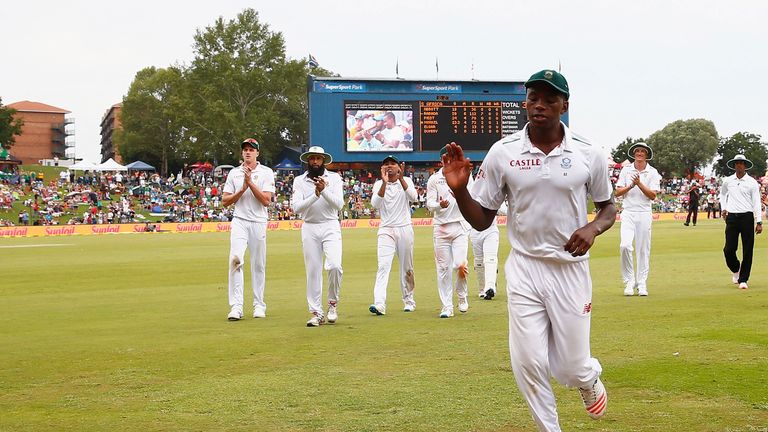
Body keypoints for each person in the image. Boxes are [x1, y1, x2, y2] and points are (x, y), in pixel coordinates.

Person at [441, 69, 616, 431]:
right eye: (533, 98)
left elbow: (608, 207)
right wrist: (460, 191)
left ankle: (587, 377)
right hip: (524, 267)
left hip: (570, 268)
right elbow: (482, 221)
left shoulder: (590, 152)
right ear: (525, 103)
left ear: (564, 105)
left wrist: (592, 227)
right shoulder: (503, 152)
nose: (540, 106)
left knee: (569, 367)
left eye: (550, 99)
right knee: (528, 362)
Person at [290, 146, 344, 327]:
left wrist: (324, 190)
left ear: (323, 161)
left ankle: (332, 304)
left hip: (330, 225)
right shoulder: (299, 181)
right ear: (308, 161)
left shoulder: (334, 178)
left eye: (318, 159)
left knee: (335, 266)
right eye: (312, 159)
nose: (314, 162)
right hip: (310, 227)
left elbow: (339, 205)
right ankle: (316, 312)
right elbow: (297, 208)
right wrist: (316, 194)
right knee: (313, 271)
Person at [222, 138, 275, 321]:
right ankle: (236, 306)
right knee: (235, 260)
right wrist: (242, 188)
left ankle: (259, 304)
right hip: (240, 220)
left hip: (258, 221)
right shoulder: (234, 173)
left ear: (257, 153)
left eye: (251, 150)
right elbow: (225, 201)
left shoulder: (266, 173)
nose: (247, 152)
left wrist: (250, 183)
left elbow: (266, 201)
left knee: (258, 264)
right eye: (245, 149)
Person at [369, 154, 417, 315]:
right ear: (382, 168)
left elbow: (414, 198)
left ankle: (409, 300)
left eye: (392, 164)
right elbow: (375, 204)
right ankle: (379, 303)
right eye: (386, 164)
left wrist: (402, 179)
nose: (389, 166)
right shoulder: (378, 184)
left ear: (399, 167)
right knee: (383, 266)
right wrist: (384, 182)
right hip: (386, 229)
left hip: (404, 228)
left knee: (407, 267)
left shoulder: (407, 181)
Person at [426, 146, 471, 318]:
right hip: (441, 227)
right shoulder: (435, 179)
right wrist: (439, 205)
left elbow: (473, 195)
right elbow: (430, 204)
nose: (449, 160)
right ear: (441, 160)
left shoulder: (464, 174)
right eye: (446, 157)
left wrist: (461, 193)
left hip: (459, 225)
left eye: (451, 157)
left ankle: (462, 295)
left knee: (460, 264)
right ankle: (447, 306)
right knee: (443, 269)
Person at [614, 142, 661, 296]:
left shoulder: (652, 172)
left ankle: (641, 283)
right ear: (634, 154)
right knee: (625, 245)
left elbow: (653, 195)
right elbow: (617, 192)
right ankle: (629, 281)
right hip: (628, 211)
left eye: (642, 151)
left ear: (646, 154)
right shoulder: (626, 170)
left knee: (643, 250)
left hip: (644, 212)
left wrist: (639, 184)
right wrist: (631, 186)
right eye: (637, 151)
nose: (639, 153)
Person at [719, 154, 762, 290]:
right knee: (728, 249)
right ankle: (736, 269)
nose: (739, 165)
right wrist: (724, 208)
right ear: (734, 165)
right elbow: (722, 195)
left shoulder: (752, 182)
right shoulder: (728, 181)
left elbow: (756, 202)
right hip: (731, 217)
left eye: (741, 163)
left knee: (747, 250)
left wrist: (759, 221)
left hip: (747, 217)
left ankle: (743, 279)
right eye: (737, 163)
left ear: (745, 165)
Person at [470, 200, 507, 300]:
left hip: (491, 230)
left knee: (490, 258)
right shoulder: (472, 190)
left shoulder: (493, 193)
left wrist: (493, 205)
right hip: (475, 231)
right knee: (479, 261)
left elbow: (504, 210)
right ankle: (482, 288)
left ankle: (490, 288)